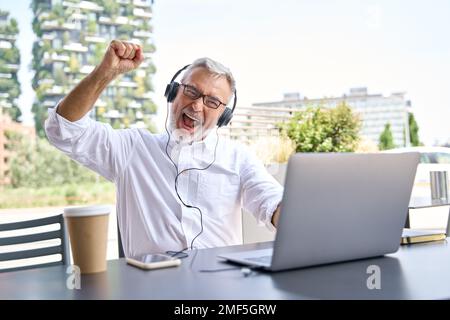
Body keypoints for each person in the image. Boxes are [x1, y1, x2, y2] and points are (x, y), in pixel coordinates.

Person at [45, 40, 283, 257]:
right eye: (191, 91)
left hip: (220, 289)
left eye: (212, 102)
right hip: (151, 286)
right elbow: (63, 129)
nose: (197, 105)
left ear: (223, 116)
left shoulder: (237, 158)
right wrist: (106, 73)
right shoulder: (132, 149)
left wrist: (294, 218)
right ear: (173, 92)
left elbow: (272, 200)